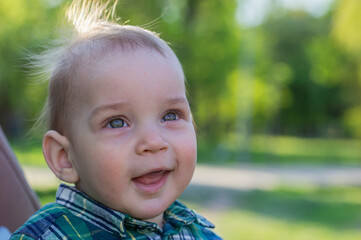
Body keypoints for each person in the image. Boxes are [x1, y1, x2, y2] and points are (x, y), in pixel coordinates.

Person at [10, 1, 221, 239]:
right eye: (117, 122)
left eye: (170, 115)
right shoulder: (51, 236)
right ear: (65, 157)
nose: (153, 142)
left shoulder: (199, 233)